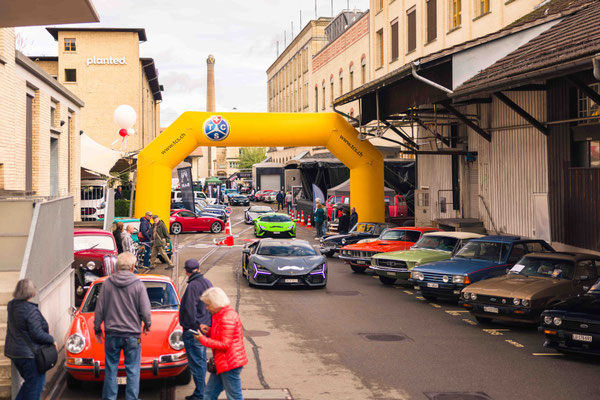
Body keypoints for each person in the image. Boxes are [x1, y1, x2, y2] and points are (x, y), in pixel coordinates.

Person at [94, 252, 151, 400]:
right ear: (133, 267)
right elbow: (145, 310)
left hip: (111, 334)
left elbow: (99, 309)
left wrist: (97, 328)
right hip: (132, 335)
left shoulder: (107, 284)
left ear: (117, 267)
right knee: (133, 370)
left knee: (111, 368)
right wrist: (147, 324)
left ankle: (109, 397)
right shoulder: (138, 285)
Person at [5, 279, 56, 400]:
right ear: (31, 292)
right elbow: (37, 334)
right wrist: (51, 340)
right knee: (35, 388)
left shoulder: (11, 305)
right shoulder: (31, 310)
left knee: (29, 385)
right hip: (29, 356)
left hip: (14, 353)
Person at [194, 288, 247, 400]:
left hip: (229, 363)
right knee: (209, 394)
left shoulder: (226, 317)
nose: (206, 308)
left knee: (233, 396)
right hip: (223, 362)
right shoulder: (222, 314)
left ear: (216, 303)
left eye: (208, 305)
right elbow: (222, 335)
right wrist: (209, 331)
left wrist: (202, 339)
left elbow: (225, 344)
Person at [180, 259, 213, 400]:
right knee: (201, 362)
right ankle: (200, 392)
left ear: (187, 272)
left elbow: (189, 309)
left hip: (194, 332)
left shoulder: (192, 286)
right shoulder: (207, 283)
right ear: (198, 269)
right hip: (205, 329)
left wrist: (191, 327)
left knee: (196, 364)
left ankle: (201, 394)